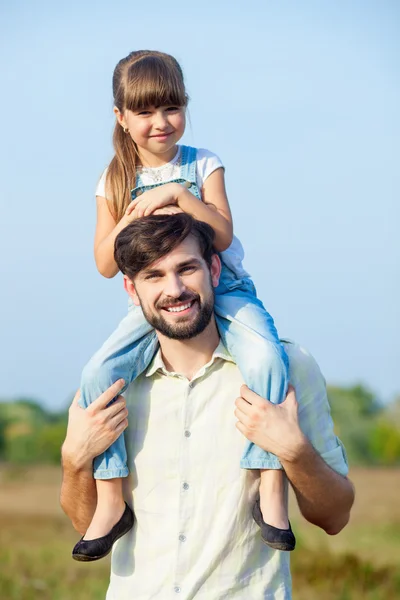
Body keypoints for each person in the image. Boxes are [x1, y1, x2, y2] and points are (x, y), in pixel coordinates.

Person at [61, 214, 354, 599]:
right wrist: (74, 460)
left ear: (214, 268)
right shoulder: (107, 386)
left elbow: (335, 517)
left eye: (187, 268)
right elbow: (88, 524)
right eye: (154, 276)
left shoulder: (287, 369)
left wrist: (293, 450)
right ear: (132, 290)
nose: (175, 289)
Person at [76, 49, 293, 560]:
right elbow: (106, 264)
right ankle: (111, 498)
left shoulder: (202, 163)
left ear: (185, 108)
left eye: (171, 109)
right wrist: (133, 215)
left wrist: (178, 193)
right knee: (96, 375)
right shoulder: (114, 179)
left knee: (264, 358)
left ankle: (269, 486)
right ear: (121, 117)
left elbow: (221, 231)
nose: (160, 123)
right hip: (158, 301)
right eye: (146, 112)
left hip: (226, 289)